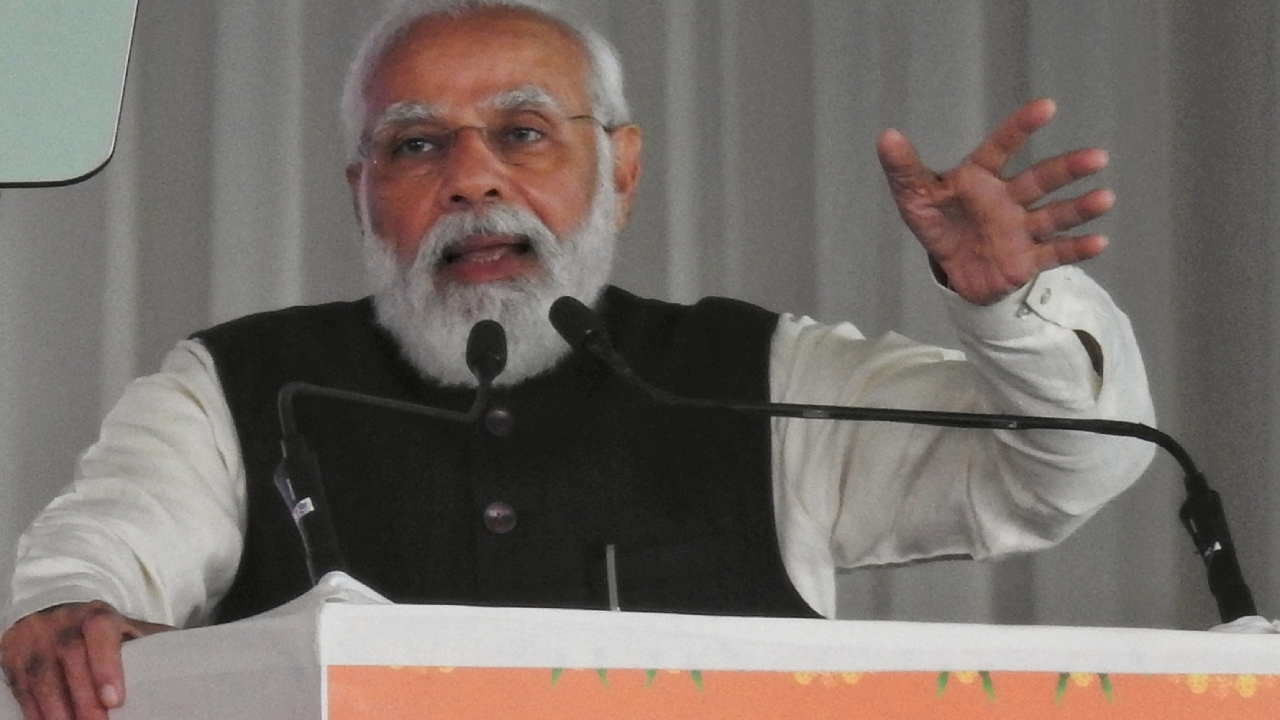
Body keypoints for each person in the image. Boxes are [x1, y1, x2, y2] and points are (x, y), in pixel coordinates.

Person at [1, 1, 1156, 718]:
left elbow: (1053, 471)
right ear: (361, 193)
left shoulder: (757, 375)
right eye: (414, 144)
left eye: (521, 132)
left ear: (623, 169)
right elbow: (99, 557)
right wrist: (72, 610)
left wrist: (1007, 306)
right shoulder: (235, 387)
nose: (472, 178)